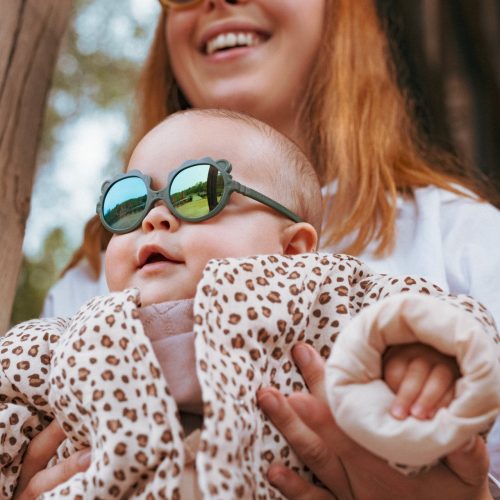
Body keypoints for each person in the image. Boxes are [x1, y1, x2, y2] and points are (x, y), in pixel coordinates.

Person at [36, 0, 500, 498]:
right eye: (128, 202)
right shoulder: (79, 307)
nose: (153, 218)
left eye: (200, 191)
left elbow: (439, 319)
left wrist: (426, 354)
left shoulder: (432, 252)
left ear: (298, 251)